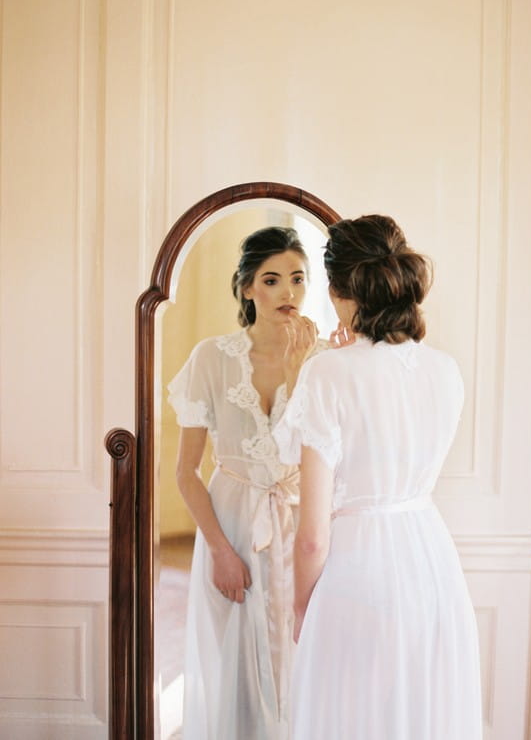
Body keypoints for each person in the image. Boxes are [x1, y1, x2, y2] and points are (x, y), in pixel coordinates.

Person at [273, 215, 482, 739]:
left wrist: (302, 607)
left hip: (357, 570)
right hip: (431, 564)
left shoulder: (329, 373)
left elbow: (313, 536)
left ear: (341, 291)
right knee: (418, 715)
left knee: (352, 718)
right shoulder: (445, 370)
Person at [167, 226, 320, 740]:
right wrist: (220, 550)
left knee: (303, 651)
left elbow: (317, 456)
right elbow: (185, 472)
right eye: (272, 280)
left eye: (298, 279)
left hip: (301, 519)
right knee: (233, 653)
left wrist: (300, 372)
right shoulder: (211, 358)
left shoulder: (321, 363)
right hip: (232, 522)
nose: (288, 292)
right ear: (248, 288)